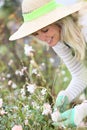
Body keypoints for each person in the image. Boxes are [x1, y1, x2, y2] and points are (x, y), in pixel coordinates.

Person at [9, 0, 87, 128]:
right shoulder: (57, 40)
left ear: (60, 22)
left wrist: (84, 108)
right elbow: (81, 75)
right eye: (36, 34)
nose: (43, 38)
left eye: (45, 30)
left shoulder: (85, 27)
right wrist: (66, 95)